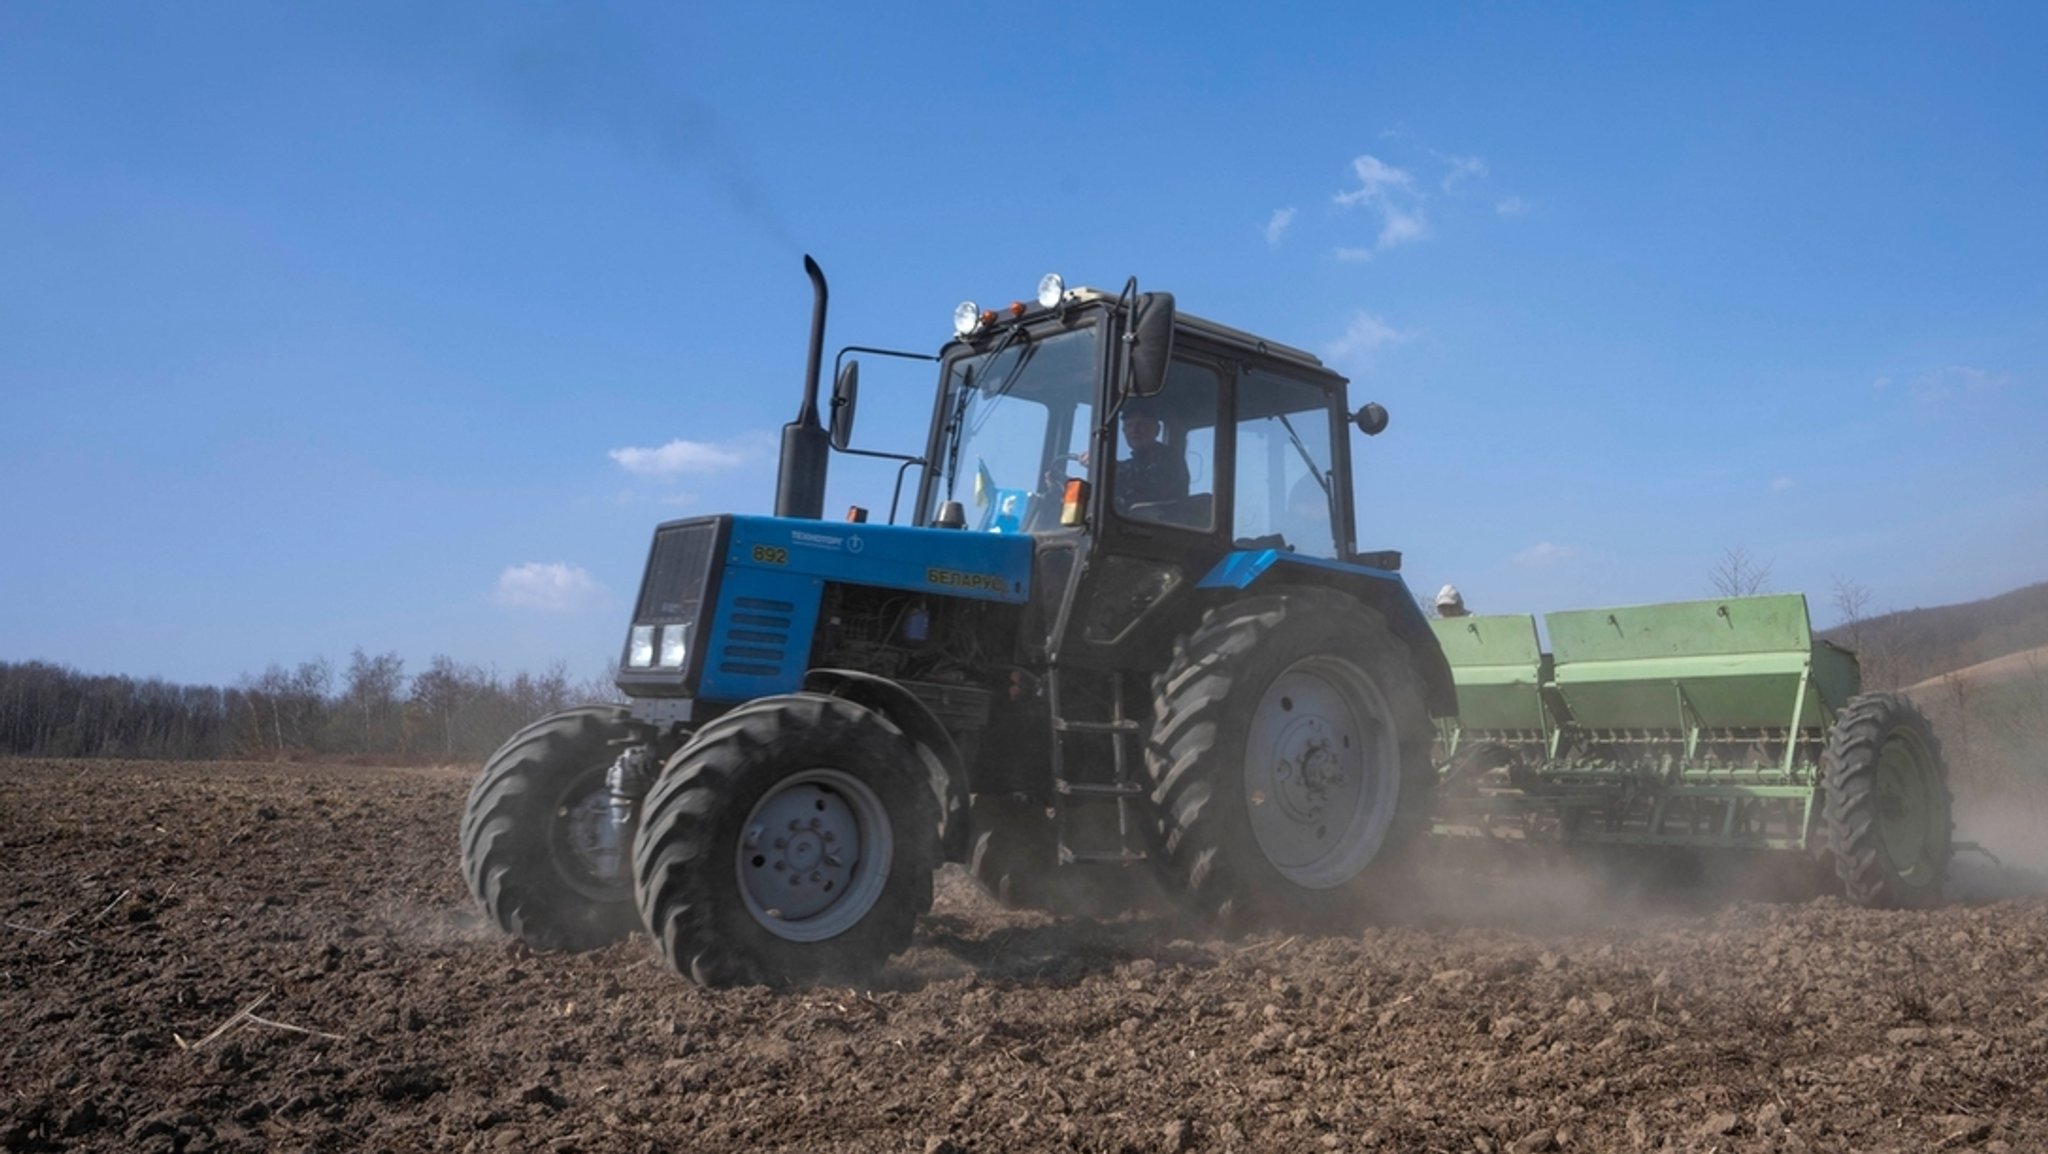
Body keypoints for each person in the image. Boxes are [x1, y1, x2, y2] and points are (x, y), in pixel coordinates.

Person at [1113, 396, 1190, 510]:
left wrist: (1108, 469)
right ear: (1124, 431)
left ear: (1157, 429)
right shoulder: (1130, 466)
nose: (1135, 430)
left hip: (1156, 524)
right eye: (1129, 425)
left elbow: (1149, 488)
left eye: (1141, 424)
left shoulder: (1170, 460)